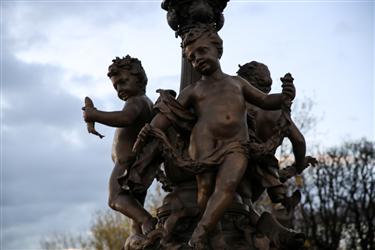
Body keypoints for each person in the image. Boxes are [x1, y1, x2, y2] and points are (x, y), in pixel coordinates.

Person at [134, 26, 296, 248]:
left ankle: (200, 233)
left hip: (237, 145)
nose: (197, 59)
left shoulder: (237, 83)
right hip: (203, 144)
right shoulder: (193, 90)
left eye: (202, 51)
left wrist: (285, 96)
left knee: (227, 185)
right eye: (191, 57)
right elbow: (168, 114)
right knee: (204, 190)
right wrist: (149, 130)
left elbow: (265, 101)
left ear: (217, 50)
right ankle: (211, 229)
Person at [82, 55, 157, 235]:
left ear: (139, 80)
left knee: (115, 198)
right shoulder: (145, 102)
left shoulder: (136, 101)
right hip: (137, 162)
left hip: (128, 163)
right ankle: (138, 233)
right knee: (135, 202)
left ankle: (148, 222)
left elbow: (125, 119)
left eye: (123, 82)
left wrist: (95, 115)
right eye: (116, 86)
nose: (119, 88)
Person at [237, 61, 307, 210]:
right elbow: (299, 141)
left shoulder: (232, 105)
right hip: (259, 178)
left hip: (225, 168)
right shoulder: (276, 113)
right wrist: (299, 165)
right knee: (245, 208)